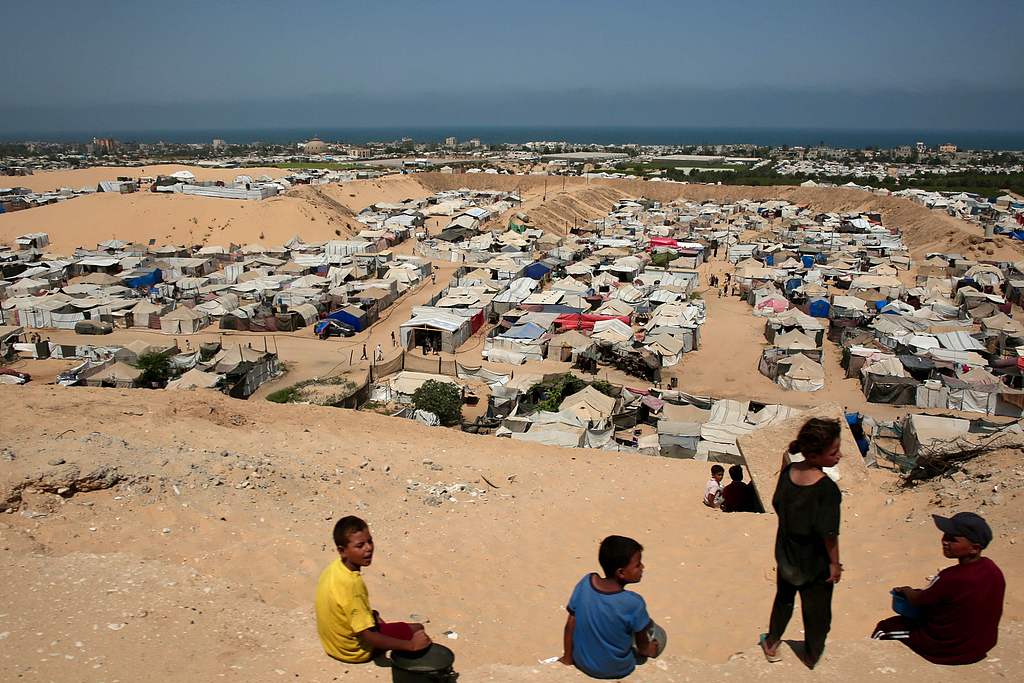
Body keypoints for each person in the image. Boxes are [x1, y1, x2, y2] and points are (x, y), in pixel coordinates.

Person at [760, 417, 843, 668]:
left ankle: (772, 643)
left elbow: (776, 504)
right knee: (817, 612)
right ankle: (811, 656)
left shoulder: (787, 473)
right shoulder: (827, 490)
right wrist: (835, 564)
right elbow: (829, 533)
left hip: (786, 553)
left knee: (783, 600)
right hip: (814, 562)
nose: (840, 456)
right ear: (816, 456)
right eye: (834, 452)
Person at [871, 512, 1005, 665]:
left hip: (948, 649)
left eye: (952, 539)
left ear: (974, 548)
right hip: (981, 645)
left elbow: (919, 601)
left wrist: (907, 591)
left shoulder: (951, 576)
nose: (944, 541)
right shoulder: (992, 569)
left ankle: (871, 667)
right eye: (945, 535)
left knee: (884, 628)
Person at [316, 516, 431, 663]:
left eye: (369, 541)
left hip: (332, 645)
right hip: (352, 651)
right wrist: (411, 646)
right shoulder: (352, 584)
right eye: (360, 545)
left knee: (372, 615)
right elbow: (370, 637)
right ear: (342, 550)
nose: (368, 548)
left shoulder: (335, 568)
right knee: (417, 629)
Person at [559, 535, 664, 679]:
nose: (642, 567)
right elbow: (643, 646)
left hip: (583, 662)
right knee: (656, 633)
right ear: (621, 572)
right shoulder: (634, 602)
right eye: (638, 565)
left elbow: (570, 624)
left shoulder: (586, 583)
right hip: (617, 669)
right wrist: (649, 650)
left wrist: (567, 658)